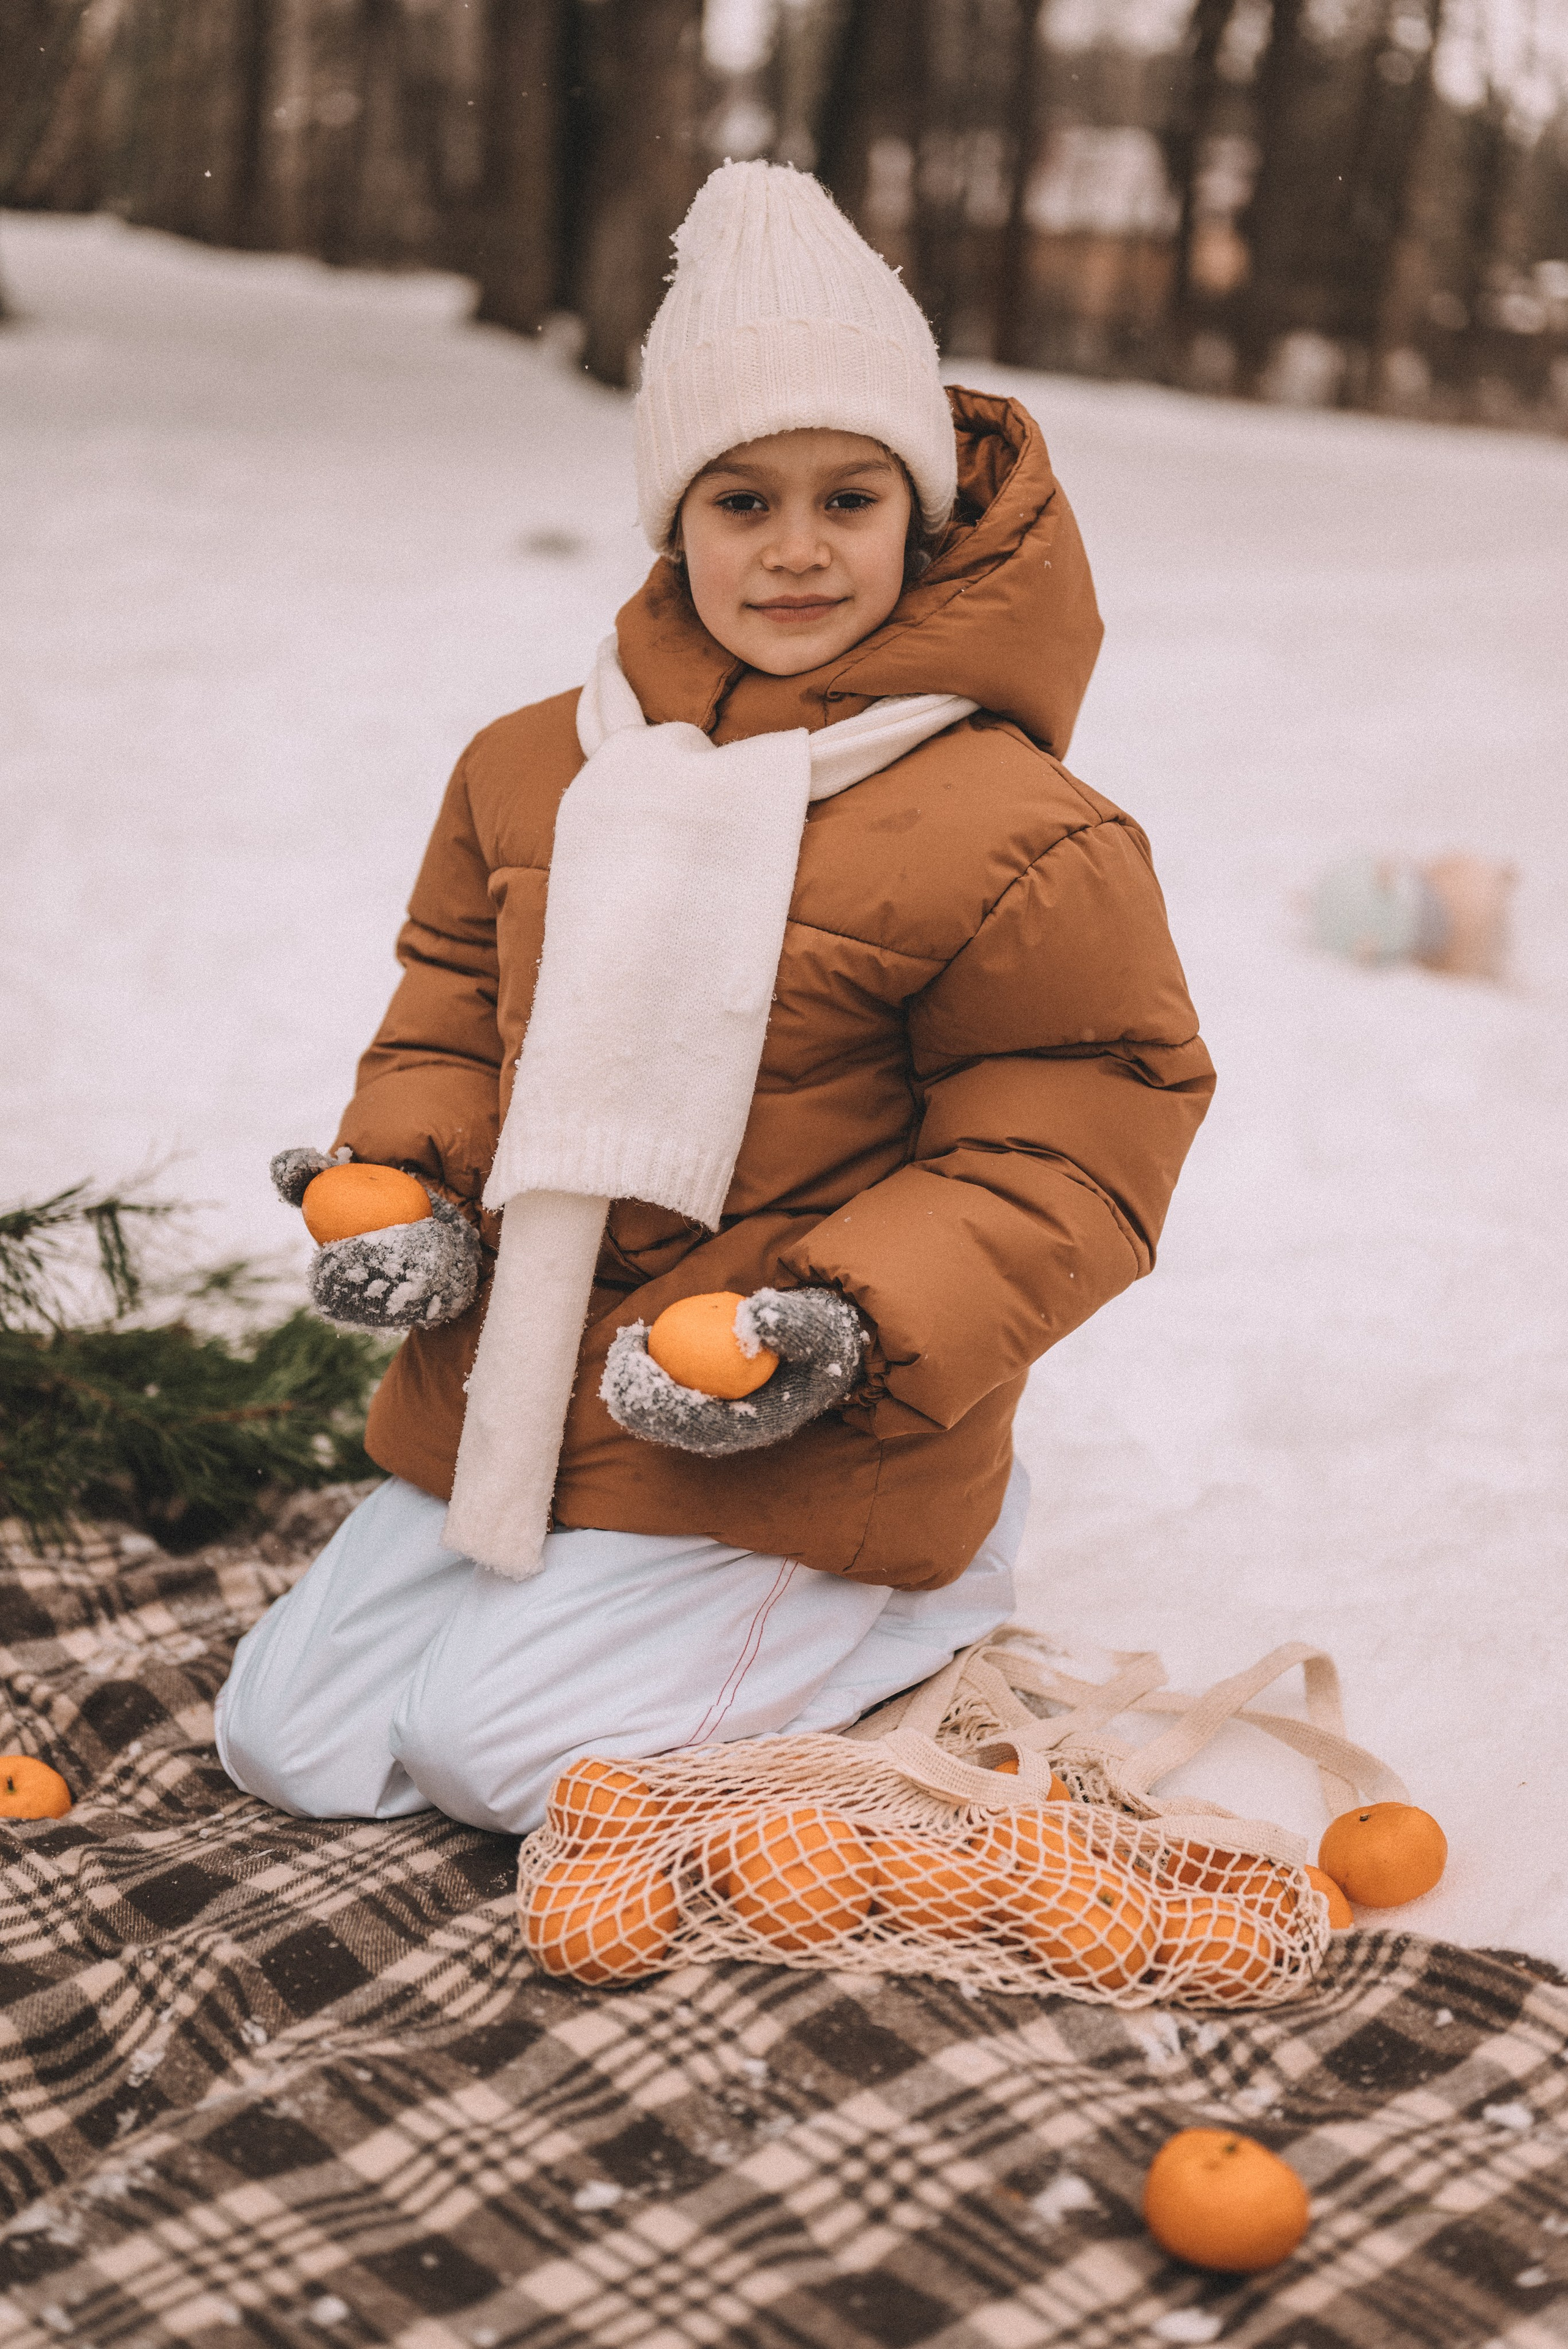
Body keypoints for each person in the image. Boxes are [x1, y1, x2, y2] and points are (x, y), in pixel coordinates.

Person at [216, 161, 1214, 1837]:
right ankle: (576, 1603)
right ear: (672, 518)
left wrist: (838, 1331)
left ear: (925, 512)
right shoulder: (539, 765)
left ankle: (922, 1604)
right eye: (742, 501)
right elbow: (456, 1008)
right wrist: (411, 1180)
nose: (799, 550)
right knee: (289, 1742)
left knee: (488, 1757)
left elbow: (1072, 1147)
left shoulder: (1023, 832)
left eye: (851, 498)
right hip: (529, 1385)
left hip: (808, 1432)